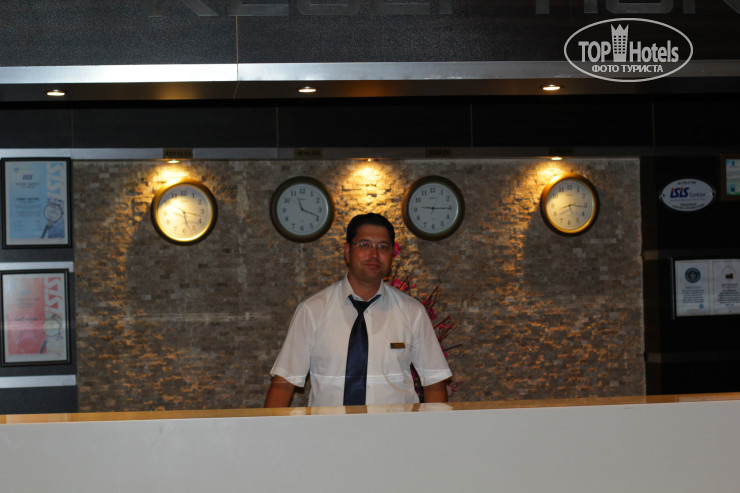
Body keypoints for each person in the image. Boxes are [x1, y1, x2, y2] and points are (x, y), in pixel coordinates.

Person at [264, 213, 452, 407]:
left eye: (383, 247)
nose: (374, 254)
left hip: (396, 426)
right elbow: (283, 384)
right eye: (364, 245)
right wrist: (268, 426)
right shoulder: (312, 311)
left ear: (391, 255)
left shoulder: (412, 312)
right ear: (347, 251)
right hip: (329, 426)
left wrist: (435, 425)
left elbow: (434, 381)